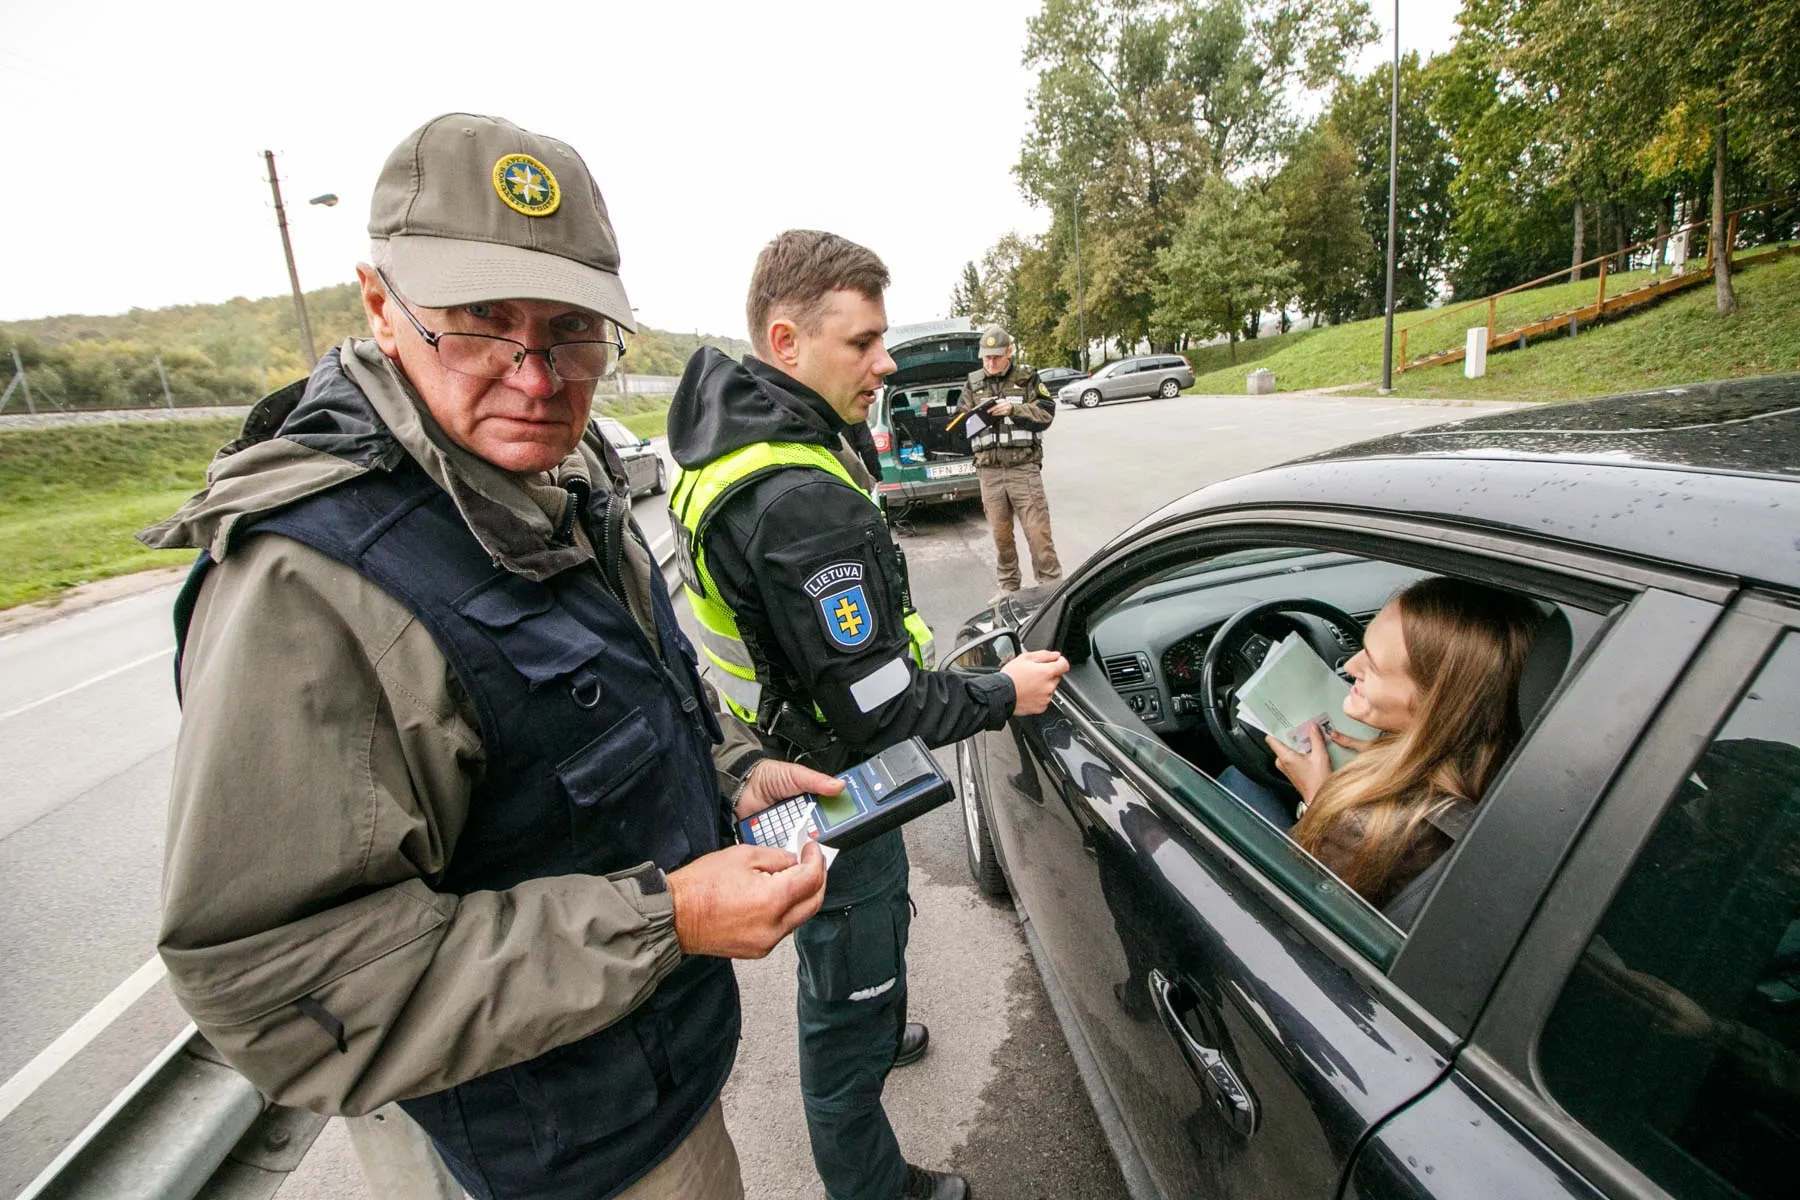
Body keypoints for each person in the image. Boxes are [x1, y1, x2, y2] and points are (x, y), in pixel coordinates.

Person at [140, 113, 837, 1200]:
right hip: (526, 1160)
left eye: (570, 331)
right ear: (382, 307)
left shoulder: (568, 477)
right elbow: (279, 984)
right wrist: (666, 919)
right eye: (478, 323)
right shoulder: (313, 586)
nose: (536, 374)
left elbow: (627, 699)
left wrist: (729, 772)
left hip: (638, 1096)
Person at [665, 230, 1070, 1200]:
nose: (887, 363)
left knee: (872, 929)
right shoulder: (798, 499)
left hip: (776, 748)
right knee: (842, 986)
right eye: (865, 343)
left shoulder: (731, 445)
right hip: (827, 780)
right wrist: (1001, 694)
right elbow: (880, 704)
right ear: (786, 339)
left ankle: (881, 1025)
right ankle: (877, 1180)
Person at [1266, 576, 1540, 908]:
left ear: (1437, 702)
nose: (1350, 666)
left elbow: (1289, 901)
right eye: (1362, 648)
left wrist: (1318, 801)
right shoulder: (1525, 762)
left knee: (1235, 782)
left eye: (1375, 666)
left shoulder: (1362, 828)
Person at [958, 324, 1063, 603]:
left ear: (1009, 352)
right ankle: (1008, 585)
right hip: (989, 472)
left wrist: (1014, 409)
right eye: (986, 357)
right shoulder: (973, 382)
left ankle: (1050, 586)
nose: (990, 363)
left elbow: (1047, 413)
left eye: (996, 356)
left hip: (1023, 469)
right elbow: (960, 422)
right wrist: (971, 418)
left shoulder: (1027, 377)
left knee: (1038, 533)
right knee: (1000, 535)